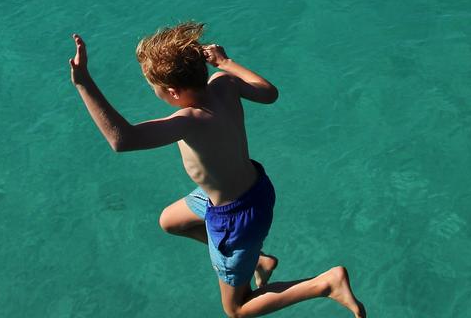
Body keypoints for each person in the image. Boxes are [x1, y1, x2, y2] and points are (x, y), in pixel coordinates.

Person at [67, 24, 367, 318]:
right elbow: (269, 93)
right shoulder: (224, 84)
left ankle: (325, 284)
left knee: (236, 309)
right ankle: (259, 262)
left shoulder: (188, 120)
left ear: (171, 91)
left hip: (234, 220)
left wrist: (83, 83)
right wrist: (226, 62)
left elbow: (122, 139)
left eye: (154, 88)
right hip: (255, 187)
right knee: (170, 221)